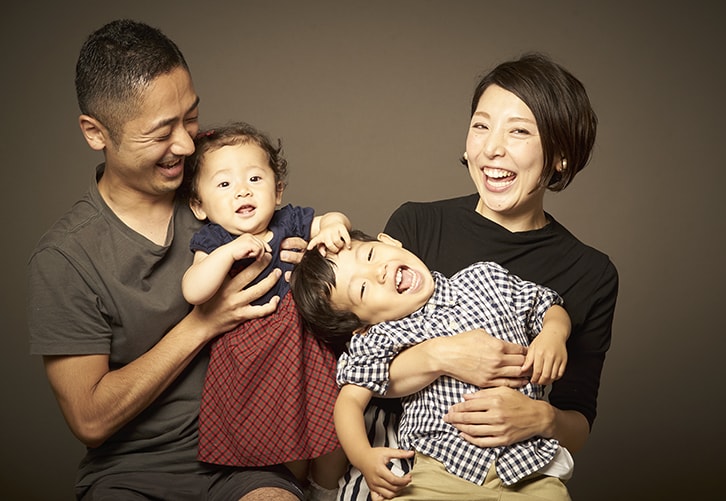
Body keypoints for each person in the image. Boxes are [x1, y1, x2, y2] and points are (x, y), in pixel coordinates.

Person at [27, 19, 306, 500]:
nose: (185, 144)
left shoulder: (224, 192)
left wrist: (305, 264)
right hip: (129, 473)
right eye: (161, 132)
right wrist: (202, 324)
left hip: (245, 459)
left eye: (190, 118)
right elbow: (90, 419)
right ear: (96, 133)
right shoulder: (66, 257)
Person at [337, 53, 619, 500]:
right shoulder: (417, 226)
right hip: (422, 465)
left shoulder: (590, 272)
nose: (491, 149)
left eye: (520, 131)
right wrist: (441, 355)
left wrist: (538, 418)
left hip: (523, 474)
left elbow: (578, 420)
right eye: (481, 125)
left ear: (561, 155)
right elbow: (358, 364)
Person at [290, 230, 574, 500]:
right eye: (363, 289)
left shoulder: (484, 278)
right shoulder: (381, 336)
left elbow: (546, 305)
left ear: (390, 242)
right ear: (360, 325)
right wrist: (363, 457)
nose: (378, 272)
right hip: (441, 470)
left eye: (370, 255)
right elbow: (349, 402)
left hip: (531, 466)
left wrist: (553, 334)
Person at [182, 121, 350, 499]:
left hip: (306, 351)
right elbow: (194, 289)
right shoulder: (214, 240)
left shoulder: (288, 221)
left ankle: (327, 490)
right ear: (199, 205)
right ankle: (294, 488)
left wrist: (332, 228)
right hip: (252, 364)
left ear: (277, 192)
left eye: (255, 178)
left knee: (333, 429)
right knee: (278, 446)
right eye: (224, 184)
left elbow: (332, 218)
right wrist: (226, 254)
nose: (242, 189)